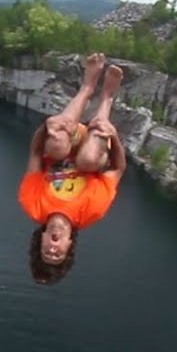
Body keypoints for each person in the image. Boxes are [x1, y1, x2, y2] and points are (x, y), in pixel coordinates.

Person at [17, 54, 126, 284]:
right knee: (87, 160)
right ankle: (106, 98)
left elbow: (36, 153)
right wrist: (114, 137)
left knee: (56, 145)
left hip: (68, 139)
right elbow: (117, 169)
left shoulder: (33, 204)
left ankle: (87, 87)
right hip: (92, 147)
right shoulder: (91, 211)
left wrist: (45, 128)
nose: (53, 249)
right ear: (69, 244)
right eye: (58, 254)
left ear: (43, 239)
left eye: (48, 252)